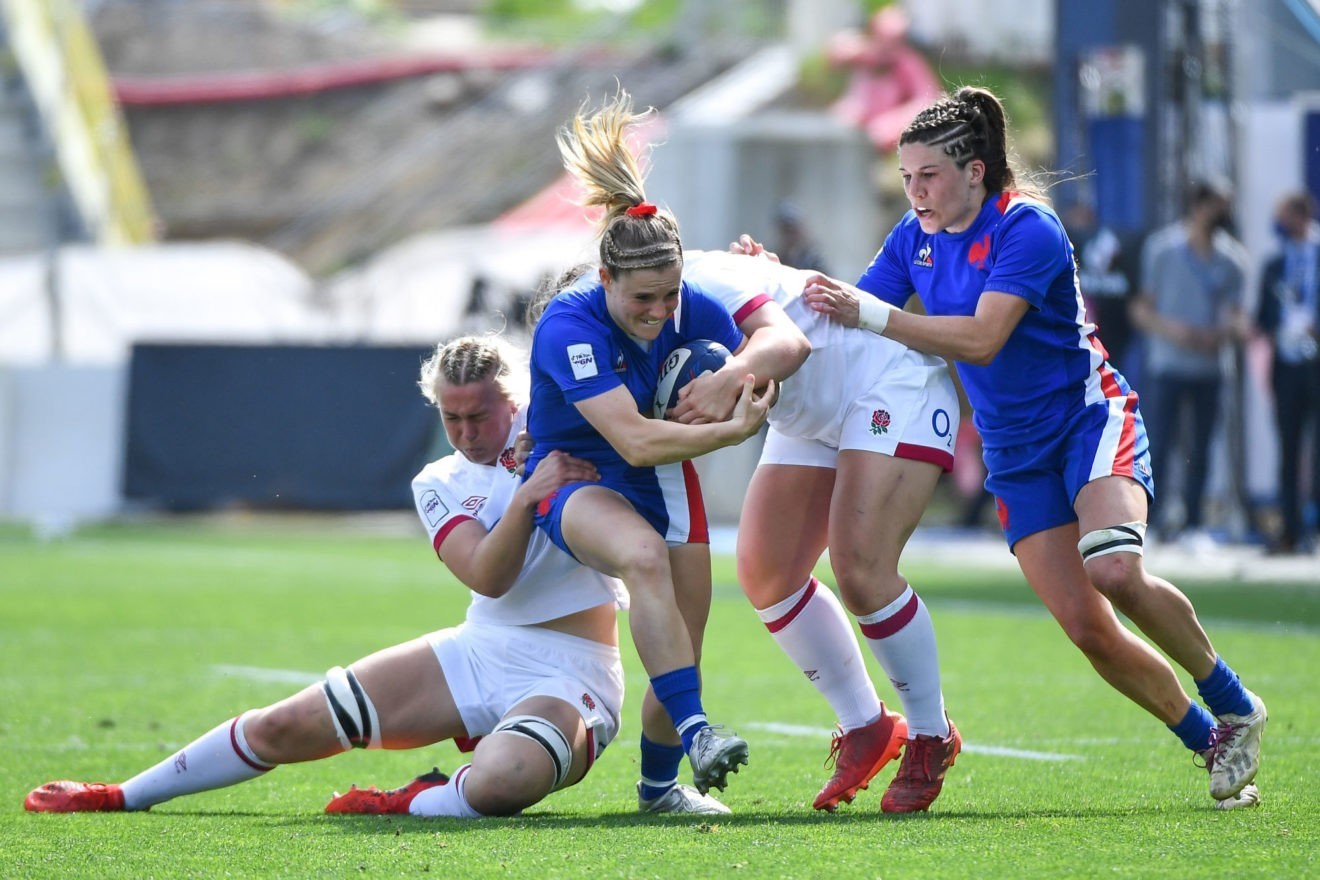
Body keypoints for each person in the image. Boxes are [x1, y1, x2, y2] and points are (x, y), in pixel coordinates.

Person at [801, 86, 1266, 810]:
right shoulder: (912, 238)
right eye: (907, 178)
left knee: (1113, 567)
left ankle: (1234, 700)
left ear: (976, 172)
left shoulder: (1029, 228)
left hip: (1086, 419)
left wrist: (875, 315)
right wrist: (772, 284)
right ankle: (1212, 742)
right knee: (1088, 628)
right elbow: (844, 317)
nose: (916, 191)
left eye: (930, 176)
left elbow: (983, 338)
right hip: (1014, 454)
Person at [23, 335, 715, 818]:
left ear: (517, 397)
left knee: (505, 780)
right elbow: (487, 575)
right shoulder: (438, 481)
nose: (467, 431)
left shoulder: (571, 433)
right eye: (451, 417)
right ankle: (125, 793)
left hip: (576, 671)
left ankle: (413, 800)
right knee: (286, 726)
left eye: (481, 413)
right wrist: (531, 496)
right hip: (481, 649)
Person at [520, 90, 779, 805]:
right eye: (643, 300)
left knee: (683, 646)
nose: (662, 313)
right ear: (604, 279)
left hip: (667, 478)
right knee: (641, 557)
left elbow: (781, 341)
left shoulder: (680, 299)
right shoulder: (568, 327)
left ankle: (660, 788)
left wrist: (735, 372)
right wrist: (729, 430)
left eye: (670, 296)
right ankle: (699, 731)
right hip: (580, 478)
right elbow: (631, 442)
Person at [678, 246, 963, 813]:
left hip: (886, 381)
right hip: (813, 402)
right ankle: (867, 725)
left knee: (861, 569)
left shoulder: (702, 283)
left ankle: (932, 734)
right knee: (767, 572)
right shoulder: (639, 303)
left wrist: (733, 379)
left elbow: (789, 345)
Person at [1130, 179, 1250, 544]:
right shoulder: (1162, 249)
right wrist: (1176, 331)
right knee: (1159, 445)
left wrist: (1226, 331)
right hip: (1167, 364)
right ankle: (1153, 521)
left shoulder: (1233, 259)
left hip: (1210, 368)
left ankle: (1194, 524)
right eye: (1218, 205)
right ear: (1199, 206)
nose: (1224, 214)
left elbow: (1237, 315)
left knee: (1201, 448)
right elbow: (1141, 309)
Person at [1256, 191, 1320, 555]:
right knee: (1289, 446)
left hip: (1316, 360)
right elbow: (1262, 315)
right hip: (1286, 363)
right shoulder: (1274, 264)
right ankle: (1291, 530)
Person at [827, 6, 940, 153]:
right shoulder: (865, 55)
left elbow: (928, 100)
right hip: (861, 123)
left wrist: (894, 122)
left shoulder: (908, 64)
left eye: (894, 41)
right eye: (882, 38)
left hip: (885, 132)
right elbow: (836, 55)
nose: (887, 47)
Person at [1064, 201, 1140, 379]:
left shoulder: (1121, 248)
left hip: (1113, 342)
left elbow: (1137, 304)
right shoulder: (1062, 249)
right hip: (1076, 348)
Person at [772, 201, 830, 273]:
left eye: (793, 231)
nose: (790, 237)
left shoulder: (813, 260)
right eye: (786, 231)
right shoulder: (776, 258)